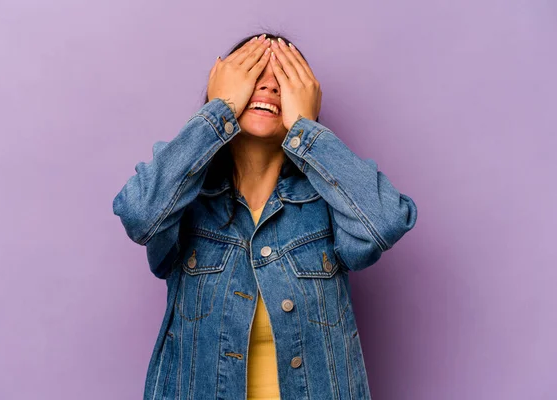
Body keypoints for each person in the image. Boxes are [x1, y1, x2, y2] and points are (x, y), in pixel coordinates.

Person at [113, 32, 418, 400]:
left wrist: (307, 131)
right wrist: (218, 110)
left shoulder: (328, 201)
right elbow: (139, 213)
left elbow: (385, 220)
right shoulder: (184, 197)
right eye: (252, 72)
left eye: (284, 77)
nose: (269, 85)